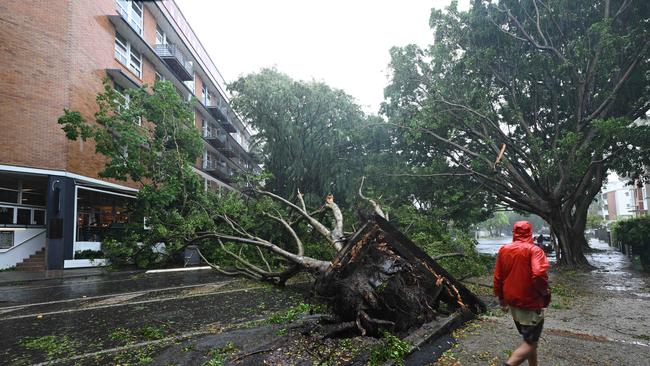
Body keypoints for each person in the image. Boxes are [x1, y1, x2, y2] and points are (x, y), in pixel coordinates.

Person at [494, 221, 551, 366]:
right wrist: (544, 292)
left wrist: (501, 298)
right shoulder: (534, 250)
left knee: (531, 340)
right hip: (530, 303)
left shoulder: (504, 250)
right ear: (530, 232)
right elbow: (538, 274)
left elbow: (498, 277)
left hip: (513, 302)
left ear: (514, 232)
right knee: (530, 343)